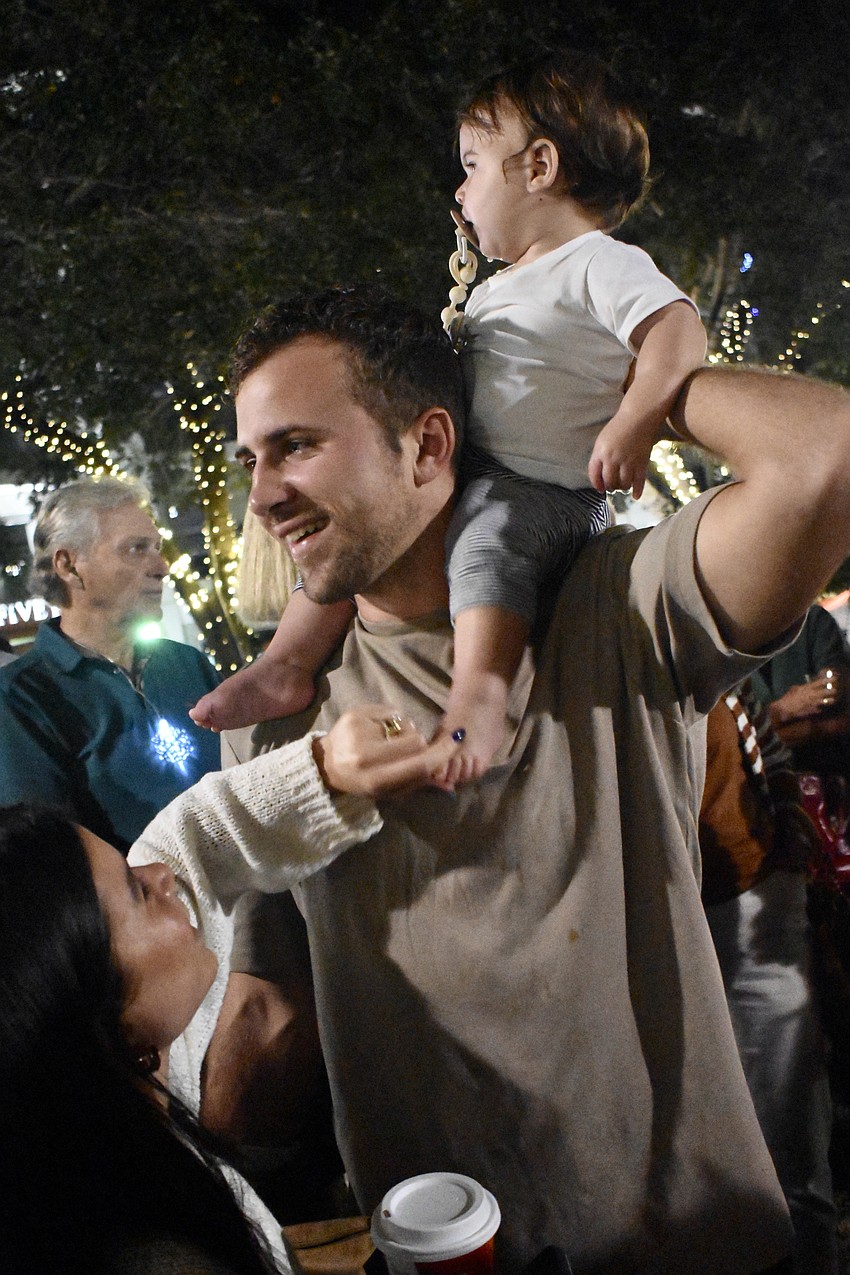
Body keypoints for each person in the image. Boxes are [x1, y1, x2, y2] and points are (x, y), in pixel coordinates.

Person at [205, 282, 850, 1274]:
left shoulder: (615, 606)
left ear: (428, 444)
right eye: (252, 457)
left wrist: (611, 383)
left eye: (295, 446)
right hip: (434, 1247)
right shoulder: (272, 714)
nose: (262, 494)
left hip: (681, 1241)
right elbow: (269, 1004)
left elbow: (823, 454)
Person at [191, 50, 706, 787]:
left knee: (485, 549)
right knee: (354, 548)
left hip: (542, 489)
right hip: (484, 472)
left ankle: (480, 698)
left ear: (539, 167)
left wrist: (636, 419)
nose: (460, 189)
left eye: (471, 165)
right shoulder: (505, 284)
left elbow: (678, 331)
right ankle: (285, 663)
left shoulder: (599, 262)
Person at [0, 707, 451, 1274]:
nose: (158, 873)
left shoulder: (103, 1095)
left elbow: (194, 843)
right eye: (136, 891)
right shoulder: (152, 1251)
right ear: (92, 1016)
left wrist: (327, 769)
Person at [0, 477, 222, 853]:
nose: (161, 566)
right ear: (69, 566)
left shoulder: (187, 663)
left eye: (157, 548)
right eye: (136, 549)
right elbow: (52, 855)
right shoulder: (19, 699)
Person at [699, 681, 838, 1274]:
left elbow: (770, 751)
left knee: (788, 1128)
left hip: (754, 898)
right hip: (658, 920)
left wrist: (788, 825)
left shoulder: (712, 656)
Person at [750, 602, 850, 777]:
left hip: (826, 775)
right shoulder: (718, 650)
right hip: (763, 786)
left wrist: (761, 733)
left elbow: (836, 705)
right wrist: (782, 710)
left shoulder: (811, 619)